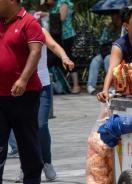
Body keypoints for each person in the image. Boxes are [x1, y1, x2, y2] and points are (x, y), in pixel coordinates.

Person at [12, 28, 75, 182]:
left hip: (42, 85)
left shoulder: (37, 29)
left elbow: (54, 46)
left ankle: (46, 162)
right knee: (23, 128)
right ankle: (25, 166)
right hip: (19, 86)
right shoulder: (8, 30)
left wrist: (64, 57)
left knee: (41, 125)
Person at [0, 0, 45, 183]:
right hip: (0, 97)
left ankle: (32, 180)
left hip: (24, 96)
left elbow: (35, 52)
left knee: (28, 145)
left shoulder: (29, 22)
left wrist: (23, 79)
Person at [44, 0, 80, 94]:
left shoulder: (63, 3)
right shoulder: (52, 5)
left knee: (69, 58)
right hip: (56, 36)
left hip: (67, 35)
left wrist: (45, 14)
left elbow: (62, 17)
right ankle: (62, 83)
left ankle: (76, 85)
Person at [87, 12, 122, 94]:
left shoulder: (123, 28)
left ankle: (112, 85)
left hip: (116, 53)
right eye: (113, 18)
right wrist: (110, 33)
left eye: (117, 18)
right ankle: (91, 86)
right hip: (105, 51)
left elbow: (121, 43)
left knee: (108, 59)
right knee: (95, 60)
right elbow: (102, 41)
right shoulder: (108, 28)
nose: (115, 20)